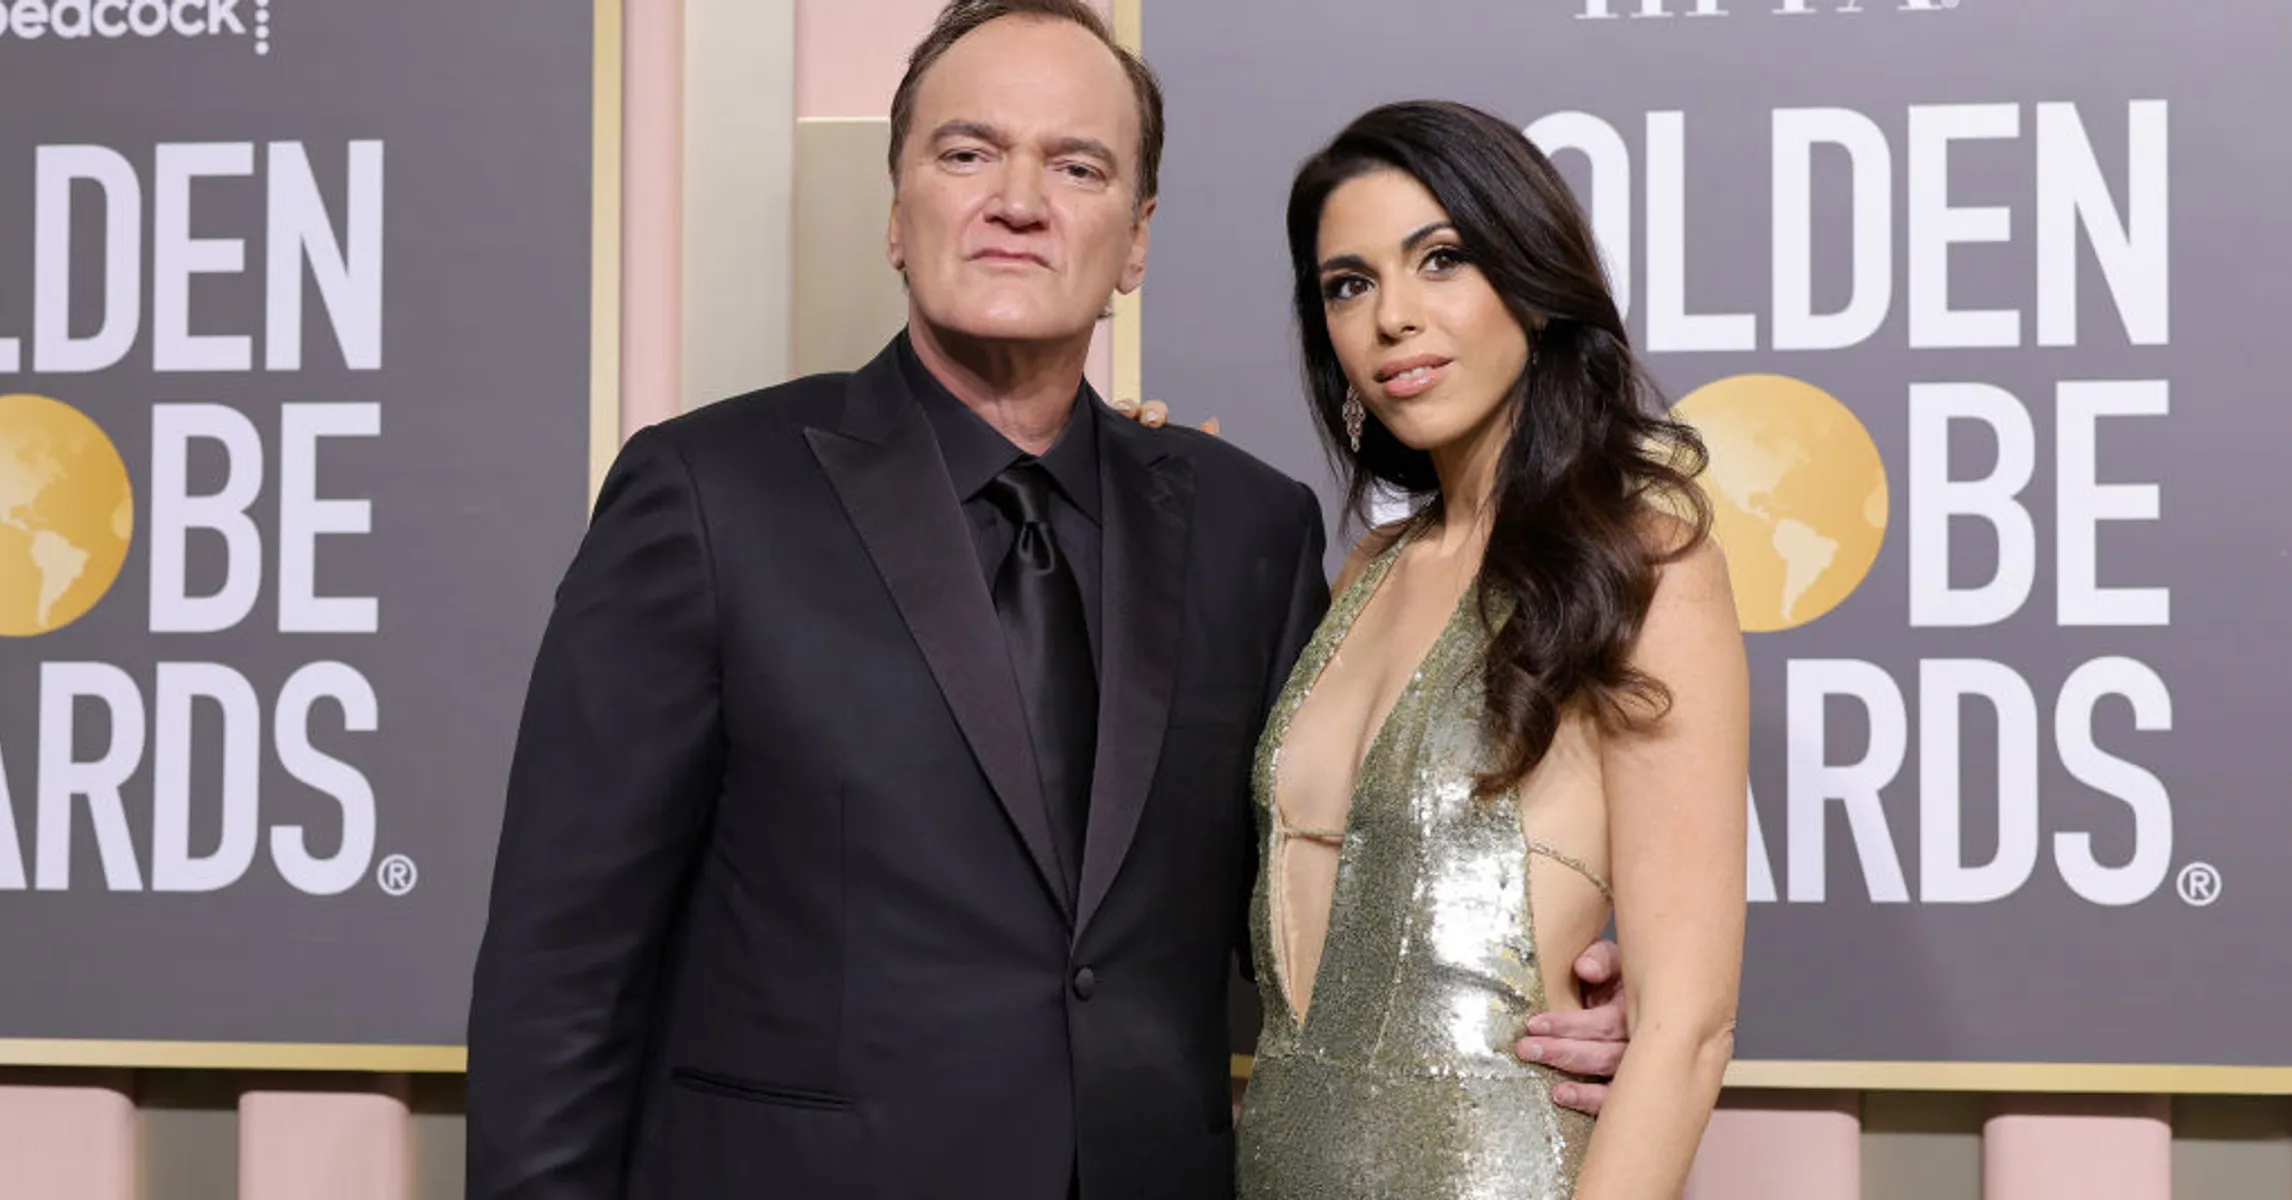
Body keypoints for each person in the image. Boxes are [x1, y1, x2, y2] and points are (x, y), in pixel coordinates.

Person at [464, 4, 1629, 1197]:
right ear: (897, 211)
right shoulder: (708, 496)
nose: (1018, 201)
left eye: (1077, 167)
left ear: (1136, 241)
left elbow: (1315, 886)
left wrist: (1549, 983)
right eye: (968, 152)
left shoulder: (1248, 529)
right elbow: (562, 969)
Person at [1233, 100, 1749, 1200]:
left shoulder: (1645, 566)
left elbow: (1687, 1028)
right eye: (1349, 284)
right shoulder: (1366, 571)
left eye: (1441, 260)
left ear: (1534, 281)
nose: (1392, 318)